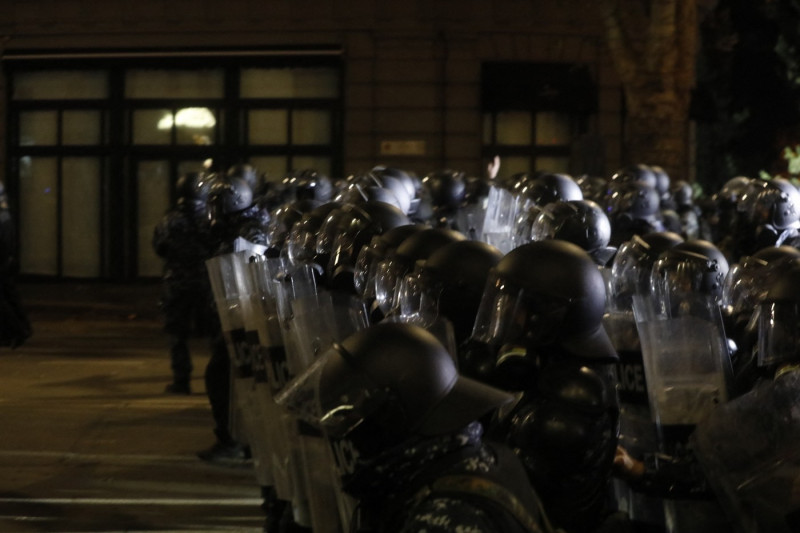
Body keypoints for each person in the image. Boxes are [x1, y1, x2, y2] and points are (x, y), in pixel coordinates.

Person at [276, 322, 559, 533]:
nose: (344, 434)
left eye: (349, 421)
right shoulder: (479, 456)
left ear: (391, 419)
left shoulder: (444, 516)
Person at [152, 171, 217, 394]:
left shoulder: (170, 219)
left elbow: (160, 247)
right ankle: (217, 380)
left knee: (176, 333)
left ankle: (181, 380)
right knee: (215, 334)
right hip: (207, 282)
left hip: (177, 282)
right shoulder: (212, 217)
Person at [0, 180, 31, 348]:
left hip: (3, 259)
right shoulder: (4, 215)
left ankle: (16, 330)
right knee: (9, 294)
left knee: (5, 298)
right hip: (6, 260)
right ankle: (20, 329)